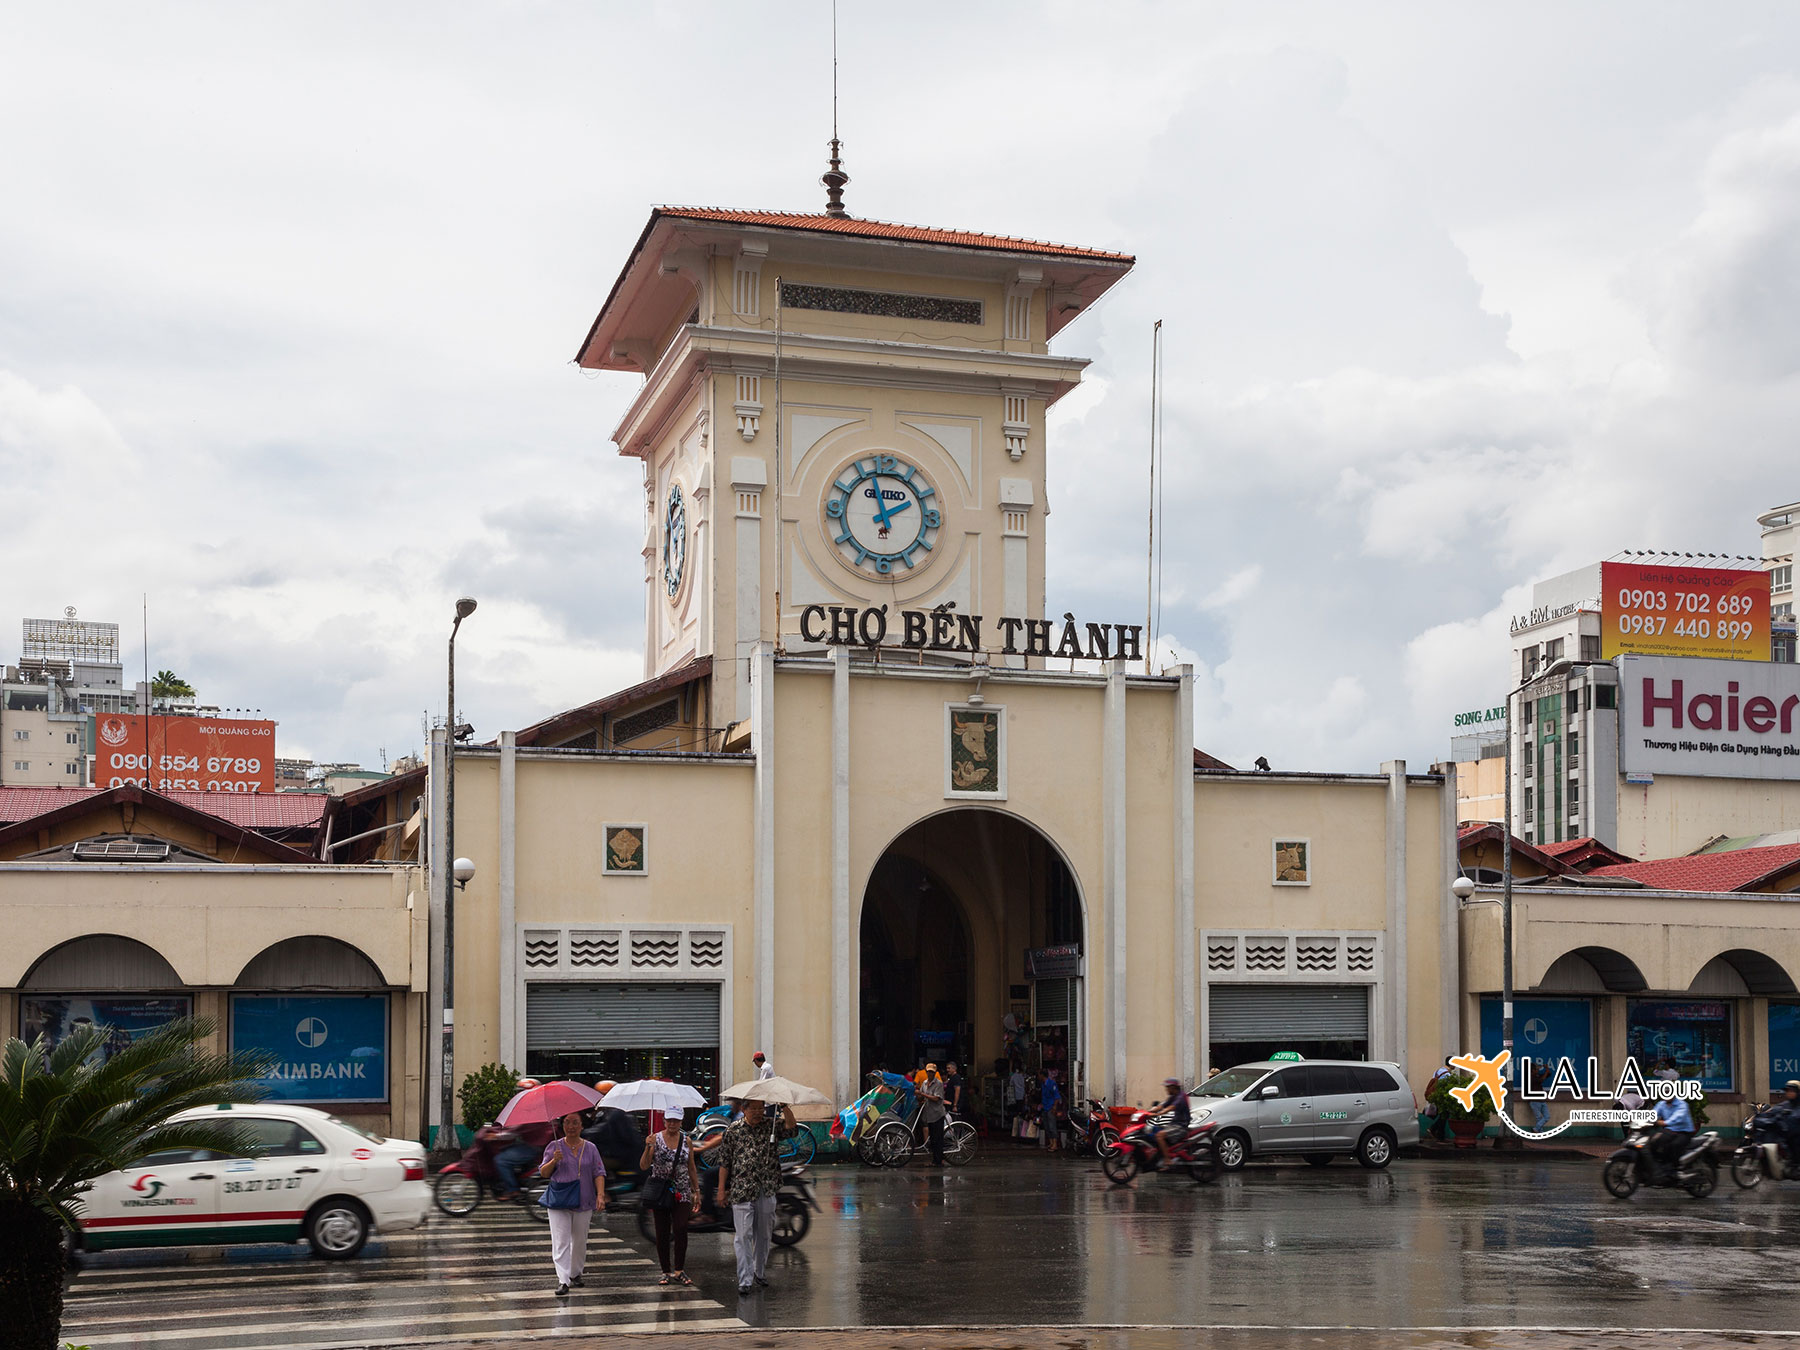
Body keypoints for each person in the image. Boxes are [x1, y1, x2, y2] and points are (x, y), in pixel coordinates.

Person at [714, 1096, 797, 1296]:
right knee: (743, 1236)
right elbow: (725, 1162)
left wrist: (785, 1107)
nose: (759, 1112)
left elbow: (792, 1129)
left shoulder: (771, 1126)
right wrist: (721, 1189)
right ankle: (745, 1279)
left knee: (764, 1233)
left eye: (762, 1108)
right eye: (754, 1109)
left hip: (766, 1187)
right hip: (742, 1189)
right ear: (744, 1109)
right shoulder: (733, 1130)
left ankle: (760, 1272)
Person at [537, 1111, 605, 1297]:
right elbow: (543, 1173)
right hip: (560, 1201)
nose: (571, 1126)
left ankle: (575, 1273)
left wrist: (600, 1195)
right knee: (561, 1241)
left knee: (580, 1240)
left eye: (575, 1122)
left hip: (584, 1199)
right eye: (567, 1122)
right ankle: (563, 1279)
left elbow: (599, 1172)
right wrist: (554, 1160)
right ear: (562, 1126)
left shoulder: (590, 1148)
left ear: (582, 1126)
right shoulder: (554, 1147)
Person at [639, 1112, 703, 1287]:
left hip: (681, 1191)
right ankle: (665, 1271)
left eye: (676, 1120)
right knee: (662, 1232)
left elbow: (691, 1166)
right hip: (660, 1191)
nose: (672, 1123)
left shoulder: (686, 1141)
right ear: (665, 1121)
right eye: (670, 1120)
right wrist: (647, 1147)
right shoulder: (655, 1139)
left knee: (681, 1227)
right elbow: (644, 1165)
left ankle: (679, 1269)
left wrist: (696, 1190)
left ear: (681, 1121)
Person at [495, 1079, 553, 1198]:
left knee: (501, 1160)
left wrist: (497, 1136)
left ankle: (512, 1189)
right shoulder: (532, 1108)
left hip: (533, 1146)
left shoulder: (533, 1110)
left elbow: (517, 1130)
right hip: (529, 1143)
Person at [1647, 1091, 1695, 1183]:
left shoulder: (1682, 1105)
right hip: (1671, 1131)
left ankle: (1675, 1170)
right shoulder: (1661, 1104)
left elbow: (1677, 1118)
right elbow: (1652, 1115)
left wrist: (1665, 1122)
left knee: (1674, 1145)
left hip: (1684, 1132)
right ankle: (1661, 1168)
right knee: (1654, 1141)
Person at [1148, 1077, 1191, 1168]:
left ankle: (1167, 1160)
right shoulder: (1173, 1096)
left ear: (1173, 1087)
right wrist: (1148, 1112)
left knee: (1160, 1135)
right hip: (1174, 1124)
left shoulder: (1181, 1097)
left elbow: (1171, 1107)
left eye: (1167, 1087)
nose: (1166, 1089)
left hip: (1181, 1125)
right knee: (1154, 1130)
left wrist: (1159, 1113)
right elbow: (1162, 1105)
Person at [918, 1063, 947, 1165]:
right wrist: (918, 1095)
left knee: (938, 1139)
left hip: (937, 1114)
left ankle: (939, 1161)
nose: (930, 1074)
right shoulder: (925, 1083)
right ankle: (935, 1160)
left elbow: (936, 1098)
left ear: (935, 1073)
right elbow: (921, 1096)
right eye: (928, 1072)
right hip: (929, 1114)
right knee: (933, 1139)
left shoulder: (938, 1084)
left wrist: (924, 1094)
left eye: (932, 1072)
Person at [1040, 1068, 1063, 1152]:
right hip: (1045, 1107)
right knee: (1047, 1126)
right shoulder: (1043, 1084)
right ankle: (1050, 1143)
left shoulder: (1051, 1083)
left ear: (1042, 1075)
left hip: (1050, 1107)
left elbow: (1056, 1097)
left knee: (1052, 1126)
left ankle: (1055, 1144)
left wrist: (1054, 1107)